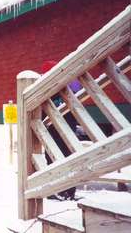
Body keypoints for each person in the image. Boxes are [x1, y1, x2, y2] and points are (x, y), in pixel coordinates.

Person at [41, 60, 79, 201]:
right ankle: (63, 190)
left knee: (58, 156)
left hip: (60, 127)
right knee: (60, 155)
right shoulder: (68, 84)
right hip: (58, 127)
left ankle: (63, 190)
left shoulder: (65, 85)